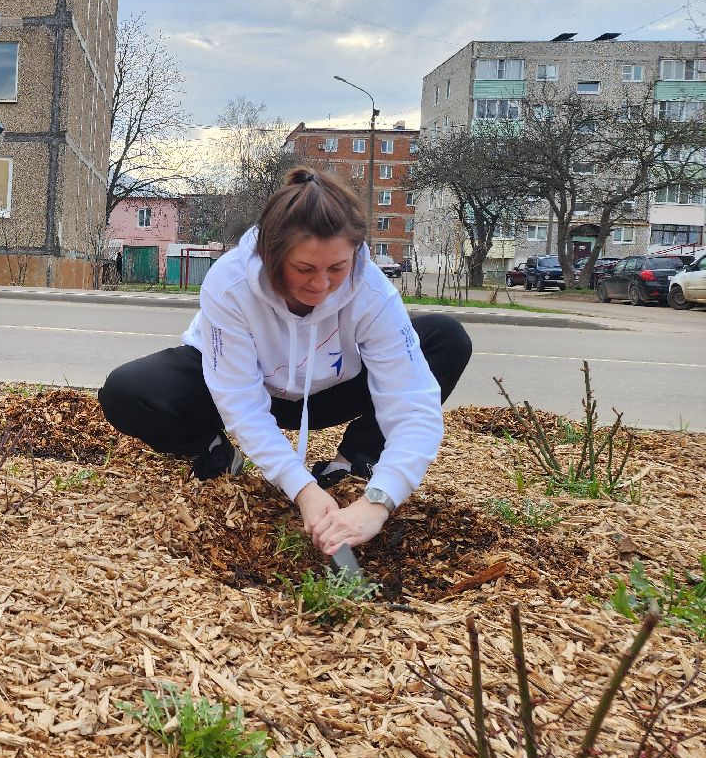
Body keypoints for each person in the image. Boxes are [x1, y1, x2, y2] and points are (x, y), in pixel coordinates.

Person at [98, 168, 472, 557]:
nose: (322, 286)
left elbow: (412, 403)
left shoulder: (372, 290)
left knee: (445, 337)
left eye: (337, 268)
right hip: (246, 385)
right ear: (272, 255)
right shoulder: (230, 283)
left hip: (330, 390)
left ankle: (353, 464)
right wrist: (301, 487)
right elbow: (241, 401)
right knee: (127, 390)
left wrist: (380, 500)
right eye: (304, 269)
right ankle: (215, 452)